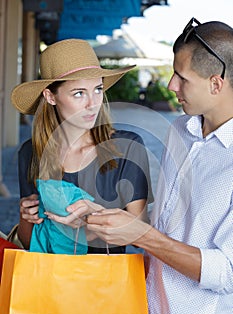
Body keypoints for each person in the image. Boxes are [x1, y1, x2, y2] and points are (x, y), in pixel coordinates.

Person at [65, 19, 233, 314]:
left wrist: (140, 234)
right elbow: (171, 219)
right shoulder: (179, 130)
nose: (171, 85)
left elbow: (226, 273)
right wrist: (108, 217)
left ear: (216, 83)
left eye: (182, 78)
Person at [11, 38, 153, 253]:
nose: (93, 103)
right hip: (49, 282)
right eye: (79, 93)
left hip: (105, 282)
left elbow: (141, 234)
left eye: (97, 89)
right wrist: (26, 217)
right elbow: (28, 241)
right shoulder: (30, 153)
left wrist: (92, 221)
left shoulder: (127, 148)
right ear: (50, 96)